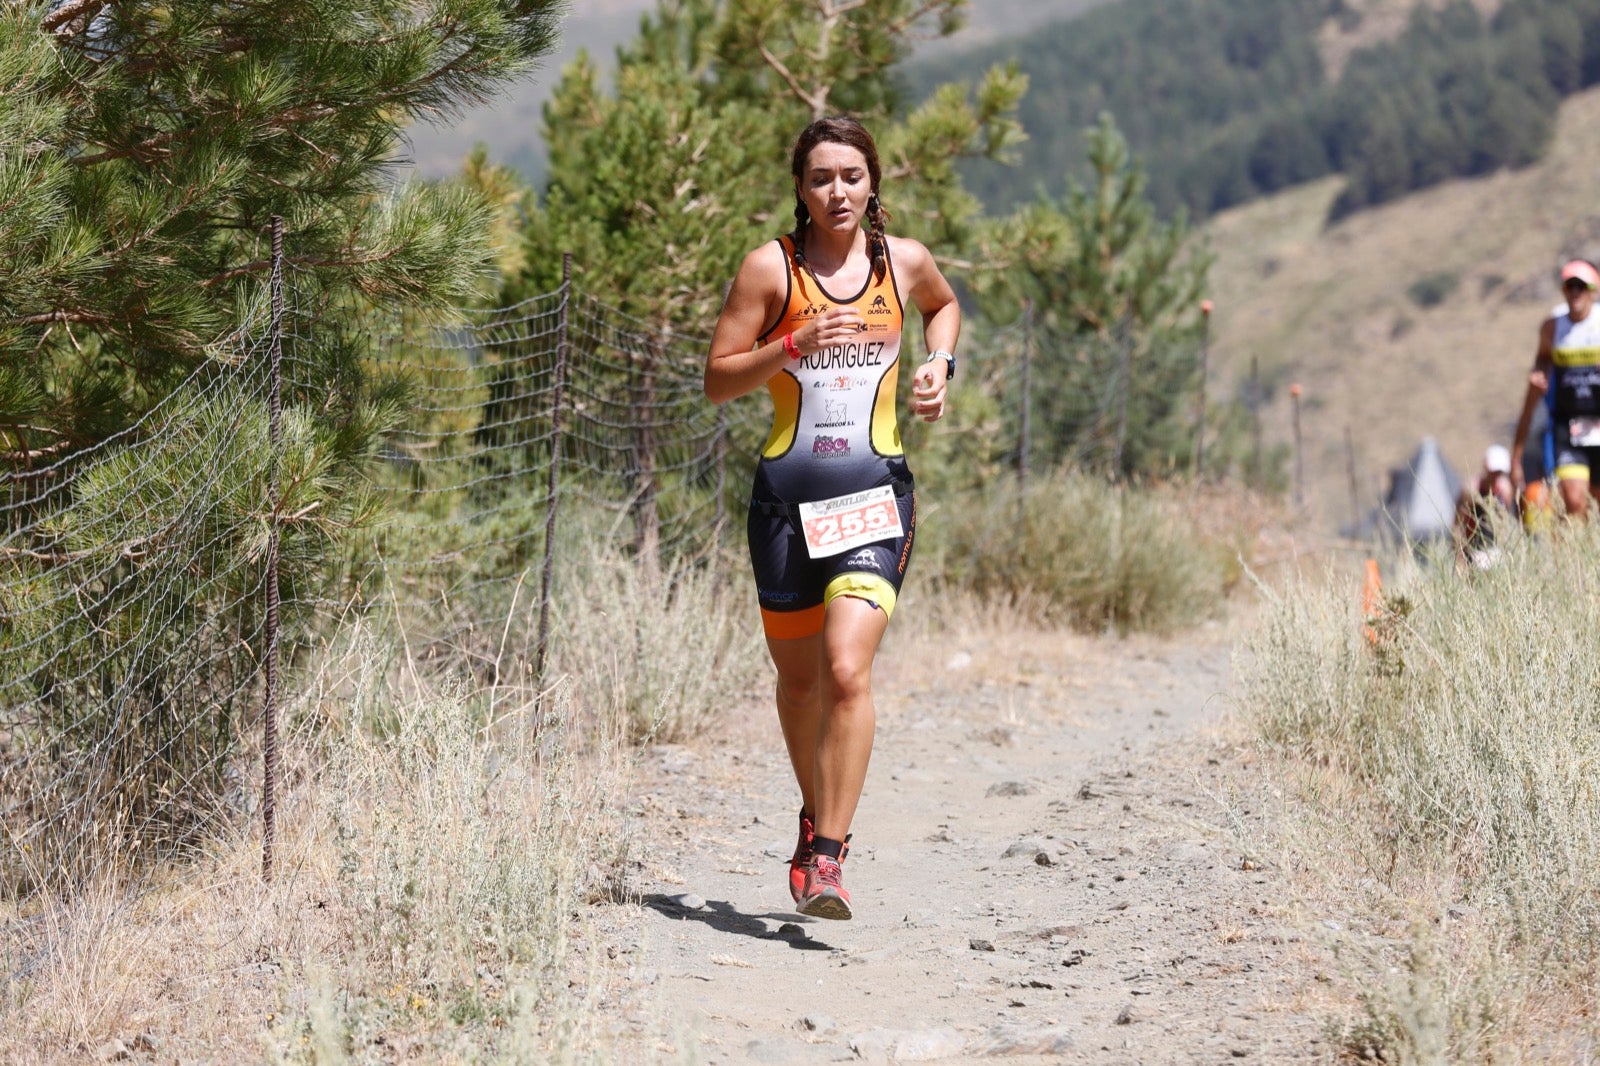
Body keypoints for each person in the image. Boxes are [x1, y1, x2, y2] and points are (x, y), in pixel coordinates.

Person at [704, 116, 960, 920]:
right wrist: (792, 343)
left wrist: (939, 364)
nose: (837, 191)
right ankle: (816, 811)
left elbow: (943, 307)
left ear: (873, 182)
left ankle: (827, 859)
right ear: (801, 188)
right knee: (801, 682)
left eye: (851, 175)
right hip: (784, 506)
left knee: (848, 668)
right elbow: (716, 380)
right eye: (821, 178)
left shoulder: (903, 262)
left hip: (872, 498)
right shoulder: (769, 271)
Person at [1512, 259, 1600, 521]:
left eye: (1581, 286)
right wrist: (1538, 374)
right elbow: (1541, 361)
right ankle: (1579, 555)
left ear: (1593, 289)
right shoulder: (1552, 327)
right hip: (1568, 425)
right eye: (1569, 286)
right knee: (1574, 500)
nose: (1575, 292)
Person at [1454, 444, 1515, 568]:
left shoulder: (1505, 491)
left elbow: (1505, 523)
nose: (1495, 475)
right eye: (1494, 471)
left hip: (1496, 550)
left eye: (1499, 472)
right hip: (1473, 550)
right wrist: (1460, 557)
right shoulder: (1471, 490)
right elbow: (1458, 525)